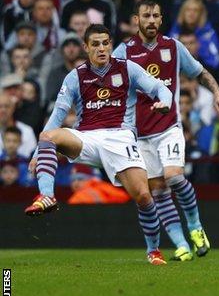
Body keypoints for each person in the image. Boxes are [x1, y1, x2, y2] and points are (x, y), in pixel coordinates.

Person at [24, 24, 174, 266]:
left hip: (120, 137)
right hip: (87, 138)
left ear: (111, 44)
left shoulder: (127, 69)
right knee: (48, 136)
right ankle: (47, 196)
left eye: (105, 43)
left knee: (144, 196)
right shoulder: (75, 76)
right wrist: (36, 153)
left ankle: (153, 250)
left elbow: (159, 87)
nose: (102, 48)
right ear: (86, 47)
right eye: (95, 44)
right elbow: (56, 117)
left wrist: (165, 102)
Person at [113, 0, 219, 261]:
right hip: (139, 134)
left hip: (169, 128)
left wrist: (218, 93)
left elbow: (200, 72)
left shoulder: (173, 47)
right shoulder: (123, 52)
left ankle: (196, 227)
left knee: (175, 178)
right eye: (146, 15)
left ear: (161, 19)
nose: (151, 20)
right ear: (137, 20)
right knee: (158, 190)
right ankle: (182, 246)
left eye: (156, 15)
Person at [67, 164, 131, 204]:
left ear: (90, 178)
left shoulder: (78, 197)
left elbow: (124, 198)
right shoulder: (104, 187)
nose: (76, 183)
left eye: (80, 179)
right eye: (73, 180)